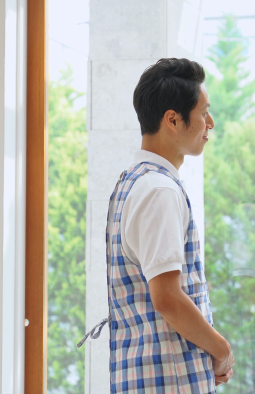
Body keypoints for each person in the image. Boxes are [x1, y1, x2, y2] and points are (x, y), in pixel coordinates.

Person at [79, 58, 234, 393]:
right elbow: (166, 298)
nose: (210, 122)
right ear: (173, 120)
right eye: (203, 112)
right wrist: (221, 350)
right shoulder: (159, 190)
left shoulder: (133, 182)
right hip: (167, 379)